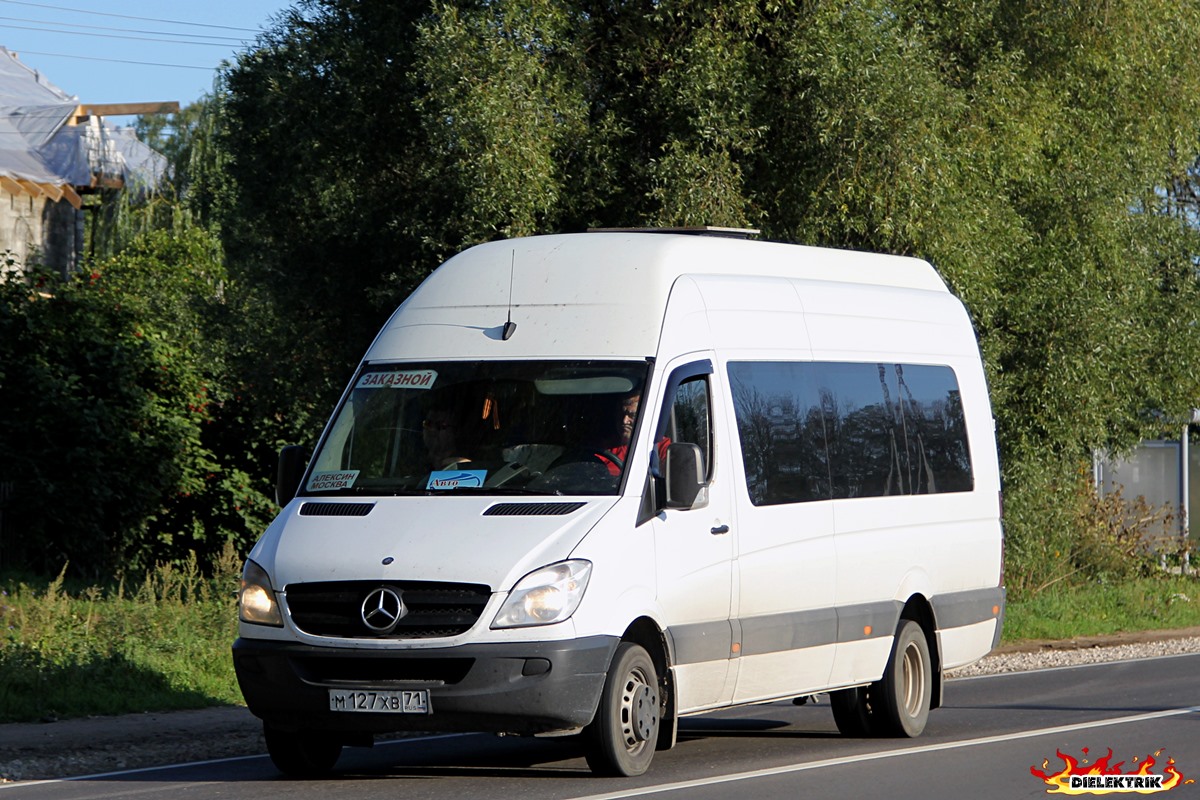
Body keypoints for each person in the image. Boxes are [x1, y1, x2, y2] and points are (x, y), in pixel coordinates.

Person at [594, 393, 669, 476]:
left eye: (632, 415)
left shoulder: (661, 446)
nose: (624, 421)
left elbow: (671, 478)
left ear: (645, 416)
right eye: (621, 414)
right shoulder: (605, 449)